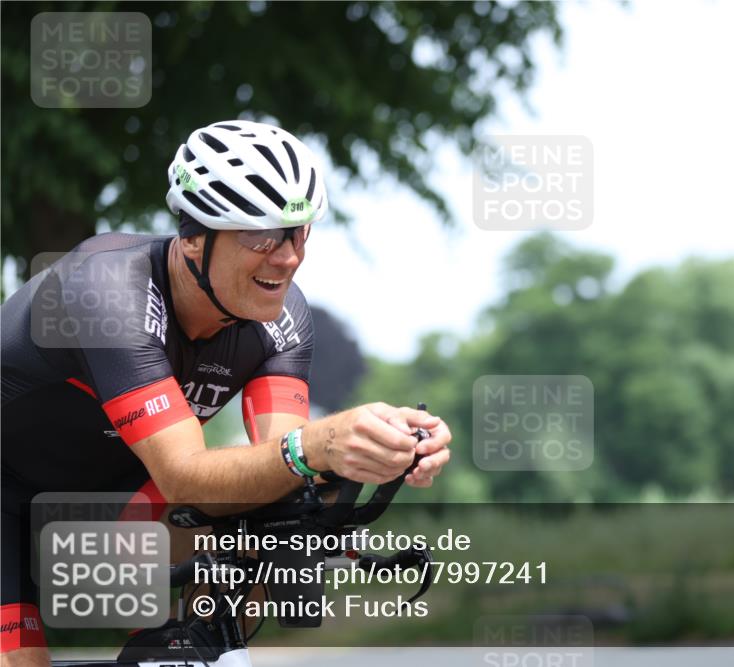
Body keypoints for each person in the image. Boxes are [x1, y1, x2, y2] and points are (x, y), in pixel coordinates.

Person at [0, 120, 452, 666]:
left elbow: (284, 466)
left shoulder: (282, 317)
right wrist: (320, 445)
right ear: (192, 238)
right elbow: (187, 473)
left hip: (109, 498)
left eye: (298, 232)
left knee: (266, 531)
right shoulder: (109, 293)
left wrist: (375, 450)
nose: (287, 258)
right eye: (260, 236)